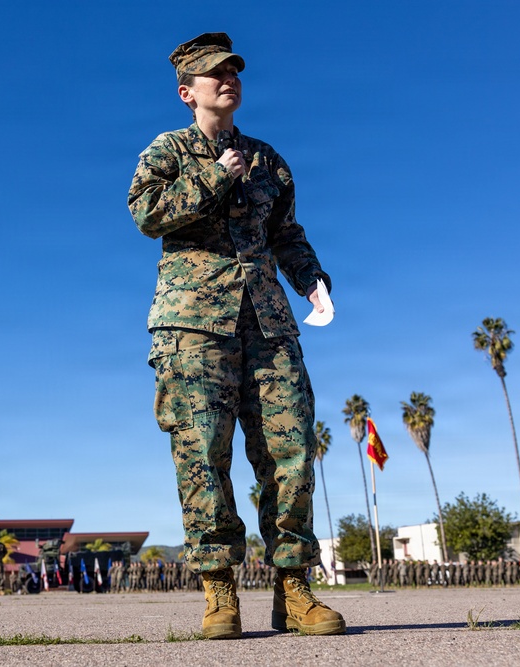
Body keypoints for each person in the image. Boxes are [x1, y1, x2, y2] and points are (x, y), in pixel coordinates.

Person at [128, 32, 345, 639]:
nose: (228, 80)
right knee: (202, 455)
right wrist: (214, 178)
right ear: (186, 92)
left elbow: (287, 233)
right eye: (214, 73)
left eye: (234, 72)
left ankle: (294, 590)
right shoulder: (168, 150)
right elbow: (146, 215)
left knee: (291, 453)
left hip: (269, 325)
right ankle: (219, 591)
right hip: (192, 327)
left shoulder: (268, 160)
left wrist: (311, 280)